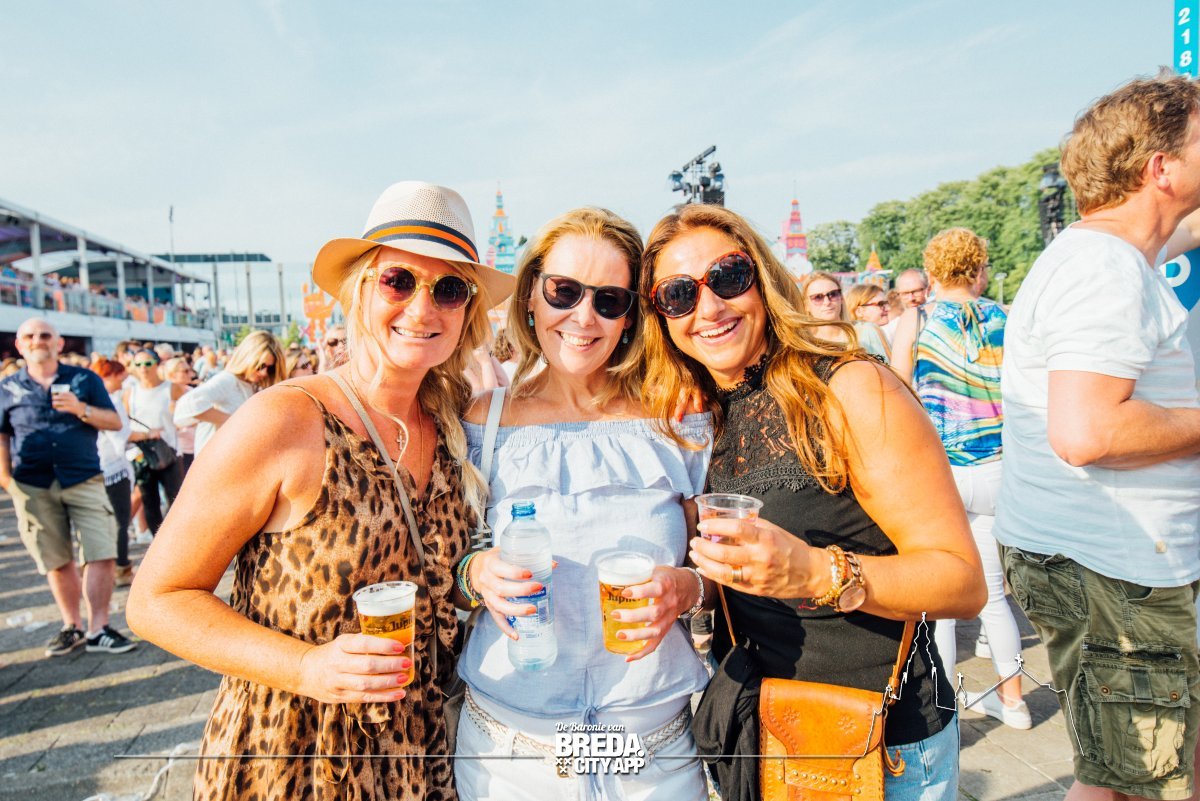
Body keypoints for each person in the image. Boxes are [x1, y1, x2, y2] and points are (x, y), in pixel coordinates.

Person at [127, 180, 515, 800]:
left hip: (422, 758)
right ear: (360, 290)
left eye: (448, 289)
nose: (423, 309)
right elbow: (156, 600)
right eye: (399, 281)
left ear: (467, 311)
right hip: (295, 756)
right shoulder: (285, 420)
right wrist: (307, 666)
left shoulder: (453, 426)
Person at [640, 204, 985, 801]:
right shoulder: (702, 415)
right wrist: (690, 588)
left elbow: (962, 580)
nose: (709, 307)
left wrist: (815, 572)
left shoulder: (851, 388)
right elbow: (742, 578)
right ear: (661, 317)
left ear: (763, 278)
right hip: (762, 732)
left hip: (876, 746)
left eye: (728, 277)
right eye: (678, 294)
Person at [455, 208, 713, 800]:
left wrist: (688, 589)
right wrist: (476, 574)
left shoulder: (677, 417)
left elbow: (723, 568)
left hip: (655, 757)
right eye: (564, 291)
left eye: (609, 300)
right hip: (510, 758)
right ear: (530, 296)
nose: (583, 317)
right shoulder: (482, 422)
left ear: (631, 316)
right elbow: (444, 564)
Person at [994, 74, 1200, 801]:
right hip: (1115, 573)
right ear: (1161, 168)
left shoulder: (1111, 254)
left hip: (1110, 564)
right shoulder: (1104, 268)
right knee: (1139, 781)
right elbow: (1086, 430)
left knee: (1125, 771)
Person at [890, 228, 1028, 729]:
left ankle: (947, 702)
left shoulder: (918, 318)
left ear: (932, 270)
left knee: (942, 598)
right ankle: (1014, 702)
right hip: (997, 465)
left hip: (942, 469)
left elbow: (898, 390)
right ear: (978, 267)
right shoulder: (1004, 317)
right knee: (992, 593)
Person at [0, 318, 136, 656]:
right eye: (30, 336)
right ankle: (71, 625)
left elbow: (113, 421)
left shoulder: (83, 379)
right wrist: (6, 480)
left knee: (101, 550)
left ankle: (99, 627)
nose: (38, 340)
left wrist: (81, 409)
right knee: (56, 558)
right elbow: (2, 436)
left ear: (59, 343)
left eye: (45, 335)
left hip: (83, 476)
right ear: (19, 345)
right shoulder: (8, 387)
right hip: (33, 483)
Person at [172, 331, 285, 457]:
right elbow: (187, 405)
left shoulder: (251, 385)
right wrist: (234, 421)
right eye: (260, 365)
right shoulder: (228, 380)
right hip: (216, 462)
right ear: (247, 357)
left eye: (270, 368)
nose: (264, 372)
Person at [124, 348, 185, 535]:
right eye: (138, 364)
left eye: (148, 363)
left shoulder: (171, 388)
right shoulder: (130, 393)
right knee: (149, 500)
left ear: (157, 364)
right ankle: (156, 539)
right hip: (142, 452)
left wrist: (176, 418)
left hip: (168, 450)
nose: (143, 368)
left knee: (175, 498)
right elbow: (125, 421)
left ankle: (176, 536)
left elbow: (184, 415)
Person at [91, 358, 136, 587]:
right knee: (119, 521)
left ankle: (101, 570)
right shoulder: (111, 402)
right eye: (120, 376)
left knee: (100, 522)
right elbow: (121, 438)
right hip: (113, 467)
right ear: (109, 376)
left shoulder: (88, 402)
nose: (123, 381)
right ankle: (121, 568)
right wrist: (147, 435)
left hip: (94, 467)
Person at [162, 357, 198, 475]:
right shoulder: (165, 396)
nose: (190, 374)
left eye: (190, 370)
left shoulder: (191, 391)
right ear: (172, 375)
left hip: (197, 446)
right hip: (179, 450)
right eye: (185, 371)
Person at [845, 283, 894, 361]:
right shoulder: (868, 329)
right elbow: (884, 366)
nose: (888, 308)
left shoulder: (852, 333)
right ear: (859, 311)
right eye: (880, 304)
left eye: (886, 303)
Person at [884, 269, 930, 341]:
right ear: (898, 294)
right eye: (905, 293)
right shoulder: (891, 330)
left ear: (928, 289)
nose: (911, 298)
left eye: (916, 291)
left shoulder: (937, 320)